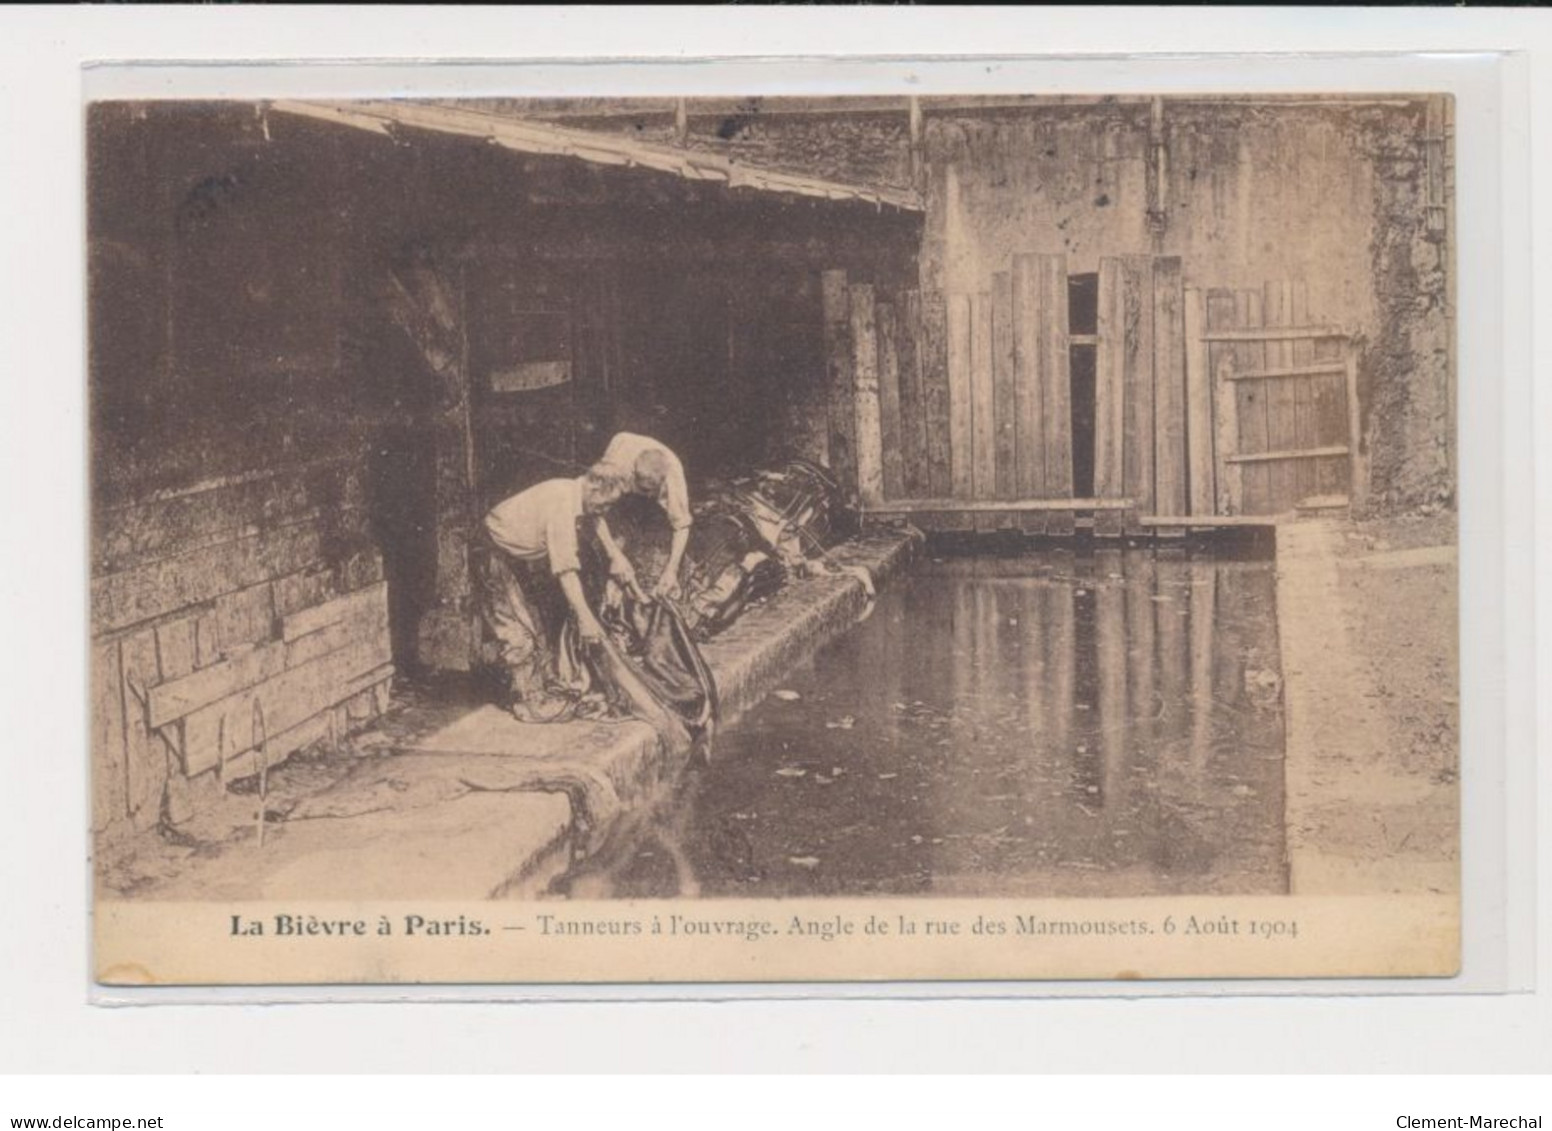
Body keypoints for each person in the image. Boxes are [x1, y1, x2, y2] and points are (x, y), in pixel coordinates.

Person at [479, 465, 629, 722]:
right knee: (518, 630)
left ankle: (543, 686)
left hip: (516, 555)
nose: (605, 512)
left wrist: (617, 555)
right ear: (592, 487)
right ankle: (529, 701)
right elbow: (566, 570)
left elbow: (596, 519)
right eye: (604, 504)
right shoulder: (562, 505)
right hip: (493, 552)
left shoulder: (575, 492)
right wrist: (585, 618)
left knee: (537, 619)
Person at [593, 432, 694, 601]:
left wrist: (671, 571)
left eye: (652, 490)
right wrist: (614, 554)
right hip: (622, 444)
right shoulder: (618, 466)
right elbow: (595, 512)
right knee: (612, 524)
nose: (647, 495)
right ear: (633, 475)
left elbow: (682, 525)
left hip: (659, 476)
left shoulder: (673, 476)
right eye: (644, 490)